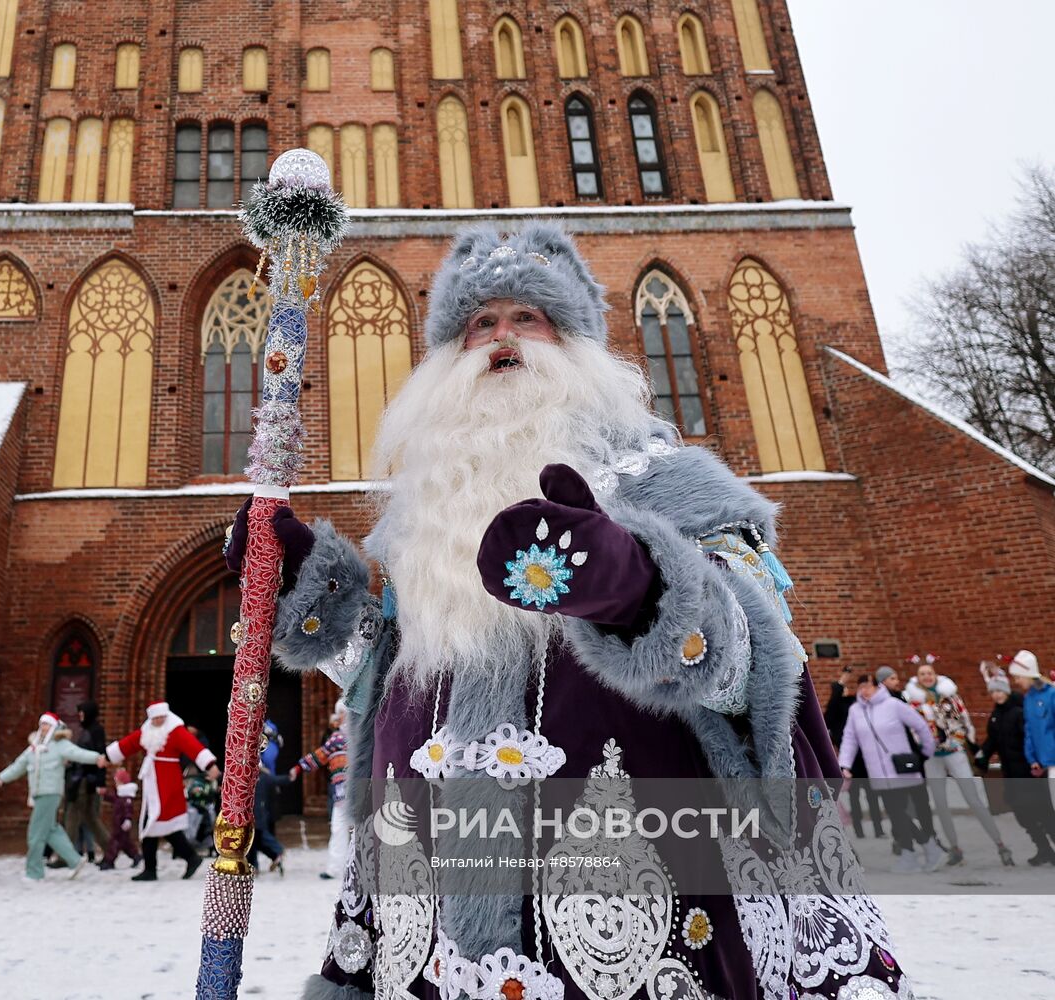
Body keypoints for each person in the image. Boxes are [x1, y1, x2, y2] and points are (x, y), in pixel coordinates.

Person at [226, 224, 910, 999]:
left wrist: (644, 589)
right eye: (479, 323)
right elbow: (389, 690)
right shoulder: (426, 519)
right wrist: (310, 595)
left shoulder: (675, 485)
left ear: (576, 343)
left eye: (527, 318)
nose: (501, 338)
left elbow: (756, 669)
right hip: (435, 902)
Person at [905, 659, 1013, 866]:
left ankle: (1000, 843)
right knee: (941, 804)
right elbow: (913, 729)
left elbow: (964, 720)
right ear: (917, 679)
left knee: (973, 799)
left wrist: (962, 740)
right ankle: (955, 847)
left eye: (929, 672)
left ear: (935, 675)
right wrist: (925, 744)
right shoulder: (914, 703)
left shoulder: (950, 696)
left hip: (955, 751)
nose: (927, 676)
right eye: (922, 674)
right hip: (932, 757)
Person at [839, 673, 943, 873]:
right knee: (897, 815)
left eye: (868, 686)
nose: (864, 691)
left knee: (900, 815)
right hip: (877, 773)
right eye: (861, 687)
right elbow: (849, 739)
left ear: (877, 686)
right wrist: (844, 764)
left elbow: (921, 726)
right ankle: (924, 848)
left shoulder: (893, 705)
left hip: (902, 770)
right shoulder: (855, 711)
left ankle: (912, 853)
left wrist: (925, 752)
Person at [105, 701, 219, 882]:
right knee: (161, 826)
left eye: (161, 717)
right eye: (155, 718)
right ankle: (187, 858)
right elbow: (129, 744)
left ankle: (155, 868)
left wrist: (210, 765)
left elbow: (193, 746)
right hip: (153, 783)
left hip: (168, 783)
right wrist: (108, 757)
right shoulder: (147, 731)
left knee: (154, 824)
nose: (158, 721)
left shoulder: (175, 730)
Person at [0, 711, 105, 881]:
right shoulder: (34, 747)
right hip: (38, 793)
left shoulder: (59, 744)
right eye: (41, 725)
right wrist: (2, 778)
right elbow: (19, 765)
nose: (43, 728)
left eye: (46, 725)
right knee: (51, 830)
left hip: (50, 792)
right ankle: (75, 860)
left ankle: (34, 872)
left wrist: (97, 758)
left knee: (35, 833)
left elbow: (78, 753)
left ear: (54, 727)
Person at [976, 664, 1055, 865]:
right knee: (1023, 814)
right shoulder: (995, 716)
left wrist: (1036, 760)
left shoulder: (1019, 710)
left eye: (999, 690)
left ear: (1007, 690)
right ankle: (1043, 848)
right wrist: (982, 755)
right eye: (992, 692)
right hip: (1011, 773)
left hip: (1028, 771)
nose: (996, 695)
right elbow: (993, 741)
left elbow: (1031, 737)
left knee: (1044, 812)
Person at [824, 666, 886, 839]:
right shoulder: (835, 709)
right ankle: (859, 830)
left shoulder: (856, 704)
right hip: (850, 758)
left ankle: (878, 829)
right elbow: (834, 697)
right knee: (854, 796)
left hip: (866, 755)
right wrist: (843, 678)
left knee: (872, 795)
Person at [290, 703, 349, 880]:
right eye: (339, 714)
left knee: (357, 829)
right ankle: (335, 868)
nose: (340, 716)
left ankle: (355, 868)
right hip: (342, 792)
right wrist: (299, 768)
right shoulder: (337, 738)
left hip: (361, 788)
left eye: (342, 713)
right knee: (339, 828)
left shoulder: (363, 735)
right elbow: (320, 755)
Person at [63, 699, 110, 862]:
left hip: (84, 780)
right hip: (84, 778)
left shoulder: (95, 731)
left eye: (82, 713)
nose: (80, 716)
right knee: (90, 817)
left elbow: (100, 756)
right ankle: (110, 849)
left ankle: (66, 856)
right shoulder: (88, 731)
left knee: (72, 815)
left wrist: (100, 781)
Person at [1011, 650, 1055, 789]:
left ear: (1028, 674)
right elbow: (1029, 730)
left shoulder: (1051, 695)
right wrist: (1032, 758)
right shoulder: (1028, 699)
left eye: (1018, 677)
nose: (1016, 681)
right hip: (1047, 762)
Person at [97, 767, 141, 870]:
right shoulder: (120, 795)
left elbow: (128, 810)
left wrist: (128, 819)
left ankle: (109, 860)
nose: (116, 784)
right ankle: (135, 856)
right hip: (117, 824)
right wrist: (104, 793)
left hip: (122, 824)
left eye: (118, 782)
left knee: (114, 843)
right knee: (125, 844)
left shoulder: (126, 797)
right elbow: (112, 797)